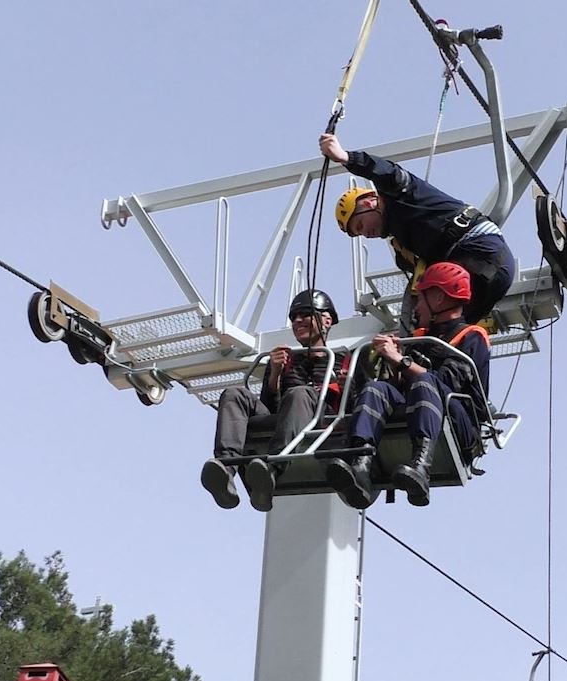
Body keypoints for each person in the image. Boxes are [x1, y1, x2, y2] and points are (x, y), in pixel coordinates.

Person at [326, 262, 490, 509]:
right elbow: (399, 387)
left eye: (420, 299)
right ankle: (360, 463)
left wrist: (400, 359)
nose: (416, 307)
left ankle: (421, 466)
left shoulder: (472, 336)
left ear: (437, 298)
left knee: (425, 382)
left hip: (459, 421)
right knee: (376, 389)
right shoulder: (421, 338)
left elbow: (447, 382)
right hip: (423, 405)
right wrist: (392, 362)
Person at [320, 133, 516, 328]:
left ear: (370, 202)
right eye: (359, 233)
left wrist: (347, 158)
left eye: (360, 225)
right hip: (478, 269)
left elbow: (386, 171)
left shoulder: (400, 194)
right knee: (442, 331)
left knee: (433, 321)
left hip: (480, 252)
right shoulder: (403, 250)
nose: (366, 234)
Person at [201, 289, 341, 512]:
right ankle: (226, 468)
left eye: (305, 314)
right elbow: (269, 405)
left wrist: (326, 367)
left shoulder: (344, 358)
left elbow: (349, 400)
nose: (297, 321)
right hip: (287, 415)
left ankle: (273, 467)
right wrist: (275, 372)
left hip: (322, 419)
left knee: (299, 393)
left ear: (327, 319)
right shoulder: (285, 359)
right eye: (293, 317)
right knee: (234, 393)